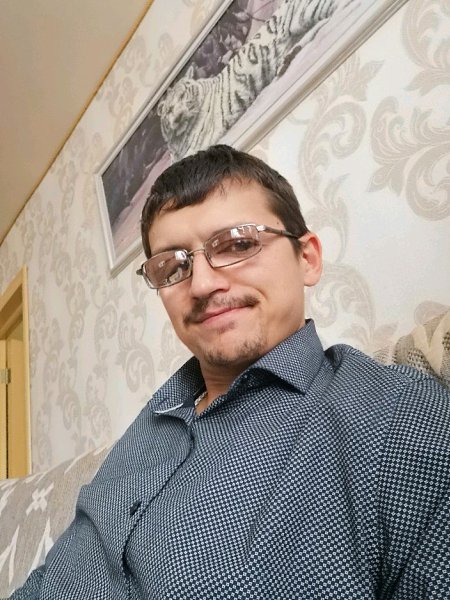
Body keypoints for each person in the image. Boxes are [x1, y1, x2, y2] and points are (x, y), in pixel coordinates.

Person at [10, 145, 450, 599]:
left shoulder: (401, 422)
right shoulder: (154, 418)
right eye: (172, 266)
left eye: (238, 243)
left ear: (307, 258)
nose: (202, 284)